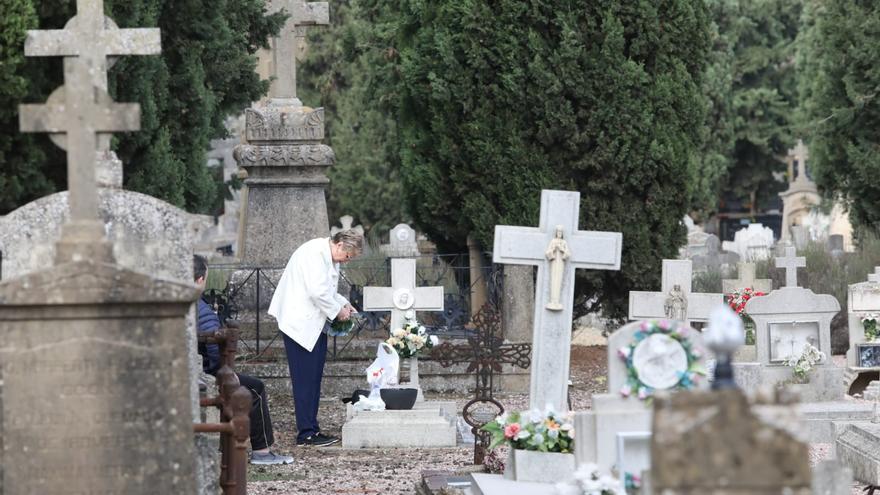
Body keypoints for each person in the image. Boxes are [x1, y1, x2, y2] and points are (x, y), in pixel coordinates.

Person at [193, 255, 293, 465]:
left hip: (195, 369)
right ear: (201, 279)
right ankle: (262, 451)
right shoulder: (203, 311)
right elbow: (215, 355)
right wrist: (224, 374)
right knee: (255, 388)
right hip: (209, 372)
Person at [268, 230, 363, 447]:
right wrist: (338, 311)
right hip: (300, 324)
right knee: (305, 381)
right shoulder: (314, 254)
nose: (347, 261)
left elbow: (328, 291)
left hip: (313, 324)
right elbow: (317, 292)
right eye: (348, 256)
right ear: (339, 245)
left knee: (313, 379)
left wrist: (343, 303)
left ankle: (312, 428)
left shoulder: (327, 256)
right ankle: (306, 433)